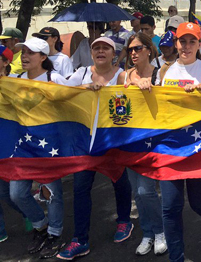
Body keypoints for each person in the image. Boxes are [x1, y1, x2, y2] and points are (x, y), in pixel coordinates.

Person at [58, 37, 134, 261]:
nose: (100, 51)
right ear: (91, 53)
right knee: (81, 187)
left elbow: (133, 98)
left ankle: (124, 220)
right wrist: (85, 88)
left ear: (114, 54)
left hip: (113, 141)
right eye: (96, 48)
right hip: (85, 142)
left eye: (105, 48)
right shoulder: (81, 73)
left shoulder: (122, 75)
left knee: (120, 181)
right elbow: (61, 93)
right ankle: (80, 239)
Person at [157, 22, 201, 262]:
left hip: (198, 147)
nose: (187, 46)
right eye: (183, 41)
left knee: (199, 203)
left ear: (198, 44)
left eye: (192, 41)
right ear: (176, 43)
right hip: (170, 147)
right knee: (170, 208)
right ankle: (176, 257)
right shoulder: (164, 72)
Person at [9, 38, 67, 258]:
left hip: (49, 147)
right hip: (23, 148)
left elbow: (76, 101)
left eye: (30, 53)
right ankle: (40, 226)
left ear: (43, 57)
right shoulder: (15, 80)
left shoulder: (55, 78)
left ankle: (54, 234)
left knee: (52, 193)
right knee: (17, 194)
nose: (24, 56)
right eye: (23, 52)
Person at [116, 34, 167, 256]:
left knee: (146, 190)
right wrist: (135, 82)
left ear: (149, 49)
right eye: (130, 50)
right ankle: (147, 233)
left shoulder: (161, 72)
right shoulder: (124, 75)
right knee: (137, 192)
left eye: (138, 48)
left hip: (151, 139)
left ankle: (160, 231)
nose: (133, 53)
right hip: (129, 140)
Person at [0, 45, 30, 244]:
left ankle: (30, 213)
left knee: (10, 194)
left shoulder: (15, 85)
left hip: (11, 145)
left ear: (5, 62)